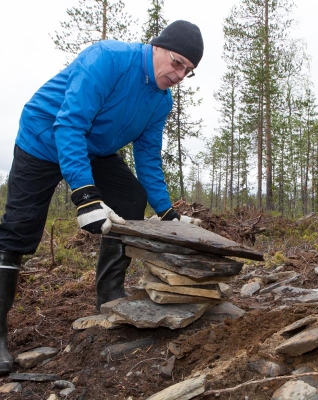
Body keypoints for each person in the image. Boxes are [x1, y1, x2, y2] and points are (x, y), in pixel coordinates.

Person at [0, 20, 204, 374]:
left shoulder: (161, 102)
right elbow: (70, 125)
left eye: (188, 70)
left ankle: (110, 297)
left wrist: (166, 211)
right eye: (176, 62)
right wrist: (86, 196)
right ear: (157, 47)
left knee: (130, 196)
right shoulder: (107, 59)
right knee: (18, 229)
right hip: (43, 137)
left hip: (94, 149)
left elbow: (148, 158)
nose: (179, 74)